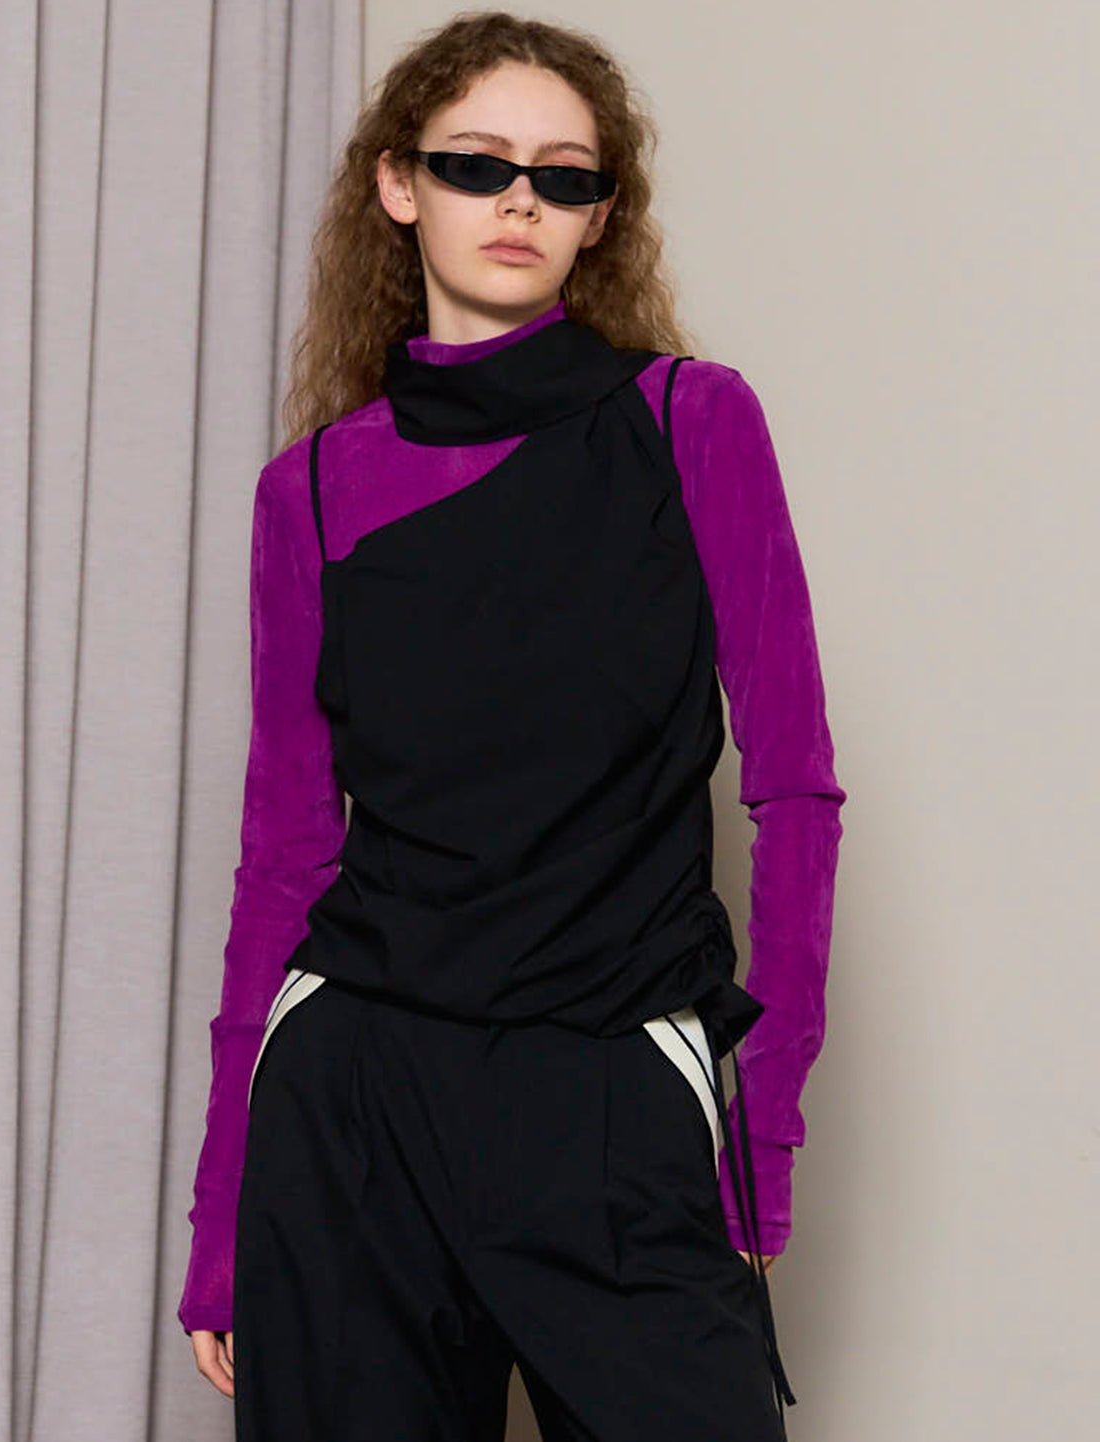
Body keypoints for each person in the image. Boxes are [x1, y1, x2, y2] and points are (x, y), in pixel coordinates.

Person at [179, 12, 846, 1441]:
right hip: (355, 1106)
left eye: (563, 176)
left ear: (600, 217)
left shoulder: (690, 424)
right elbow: (284, 853)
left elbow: (793, 790)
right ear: (398, 185)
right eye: (477, 164)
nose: (520, 201)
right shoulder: (311, 492)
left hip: (612, 1090)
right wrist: (224, 1210)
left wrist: (766, 1132)